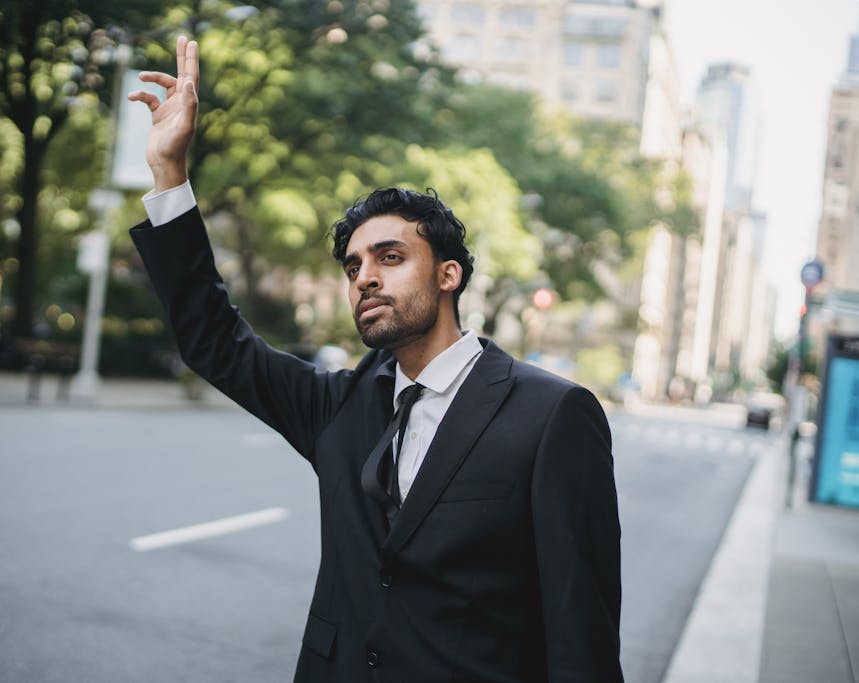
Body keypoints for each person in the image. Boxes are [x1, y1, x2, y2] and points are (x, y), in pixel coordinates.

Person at [128, 37, 623, 683]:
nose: (364, 276)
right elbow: (214, 339)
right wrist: (170, 177)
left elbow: (579, 624)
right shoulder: (337, 408)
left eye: (390, 257)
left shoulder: (552, 414)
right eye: (354, 265)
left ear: (448, 275)